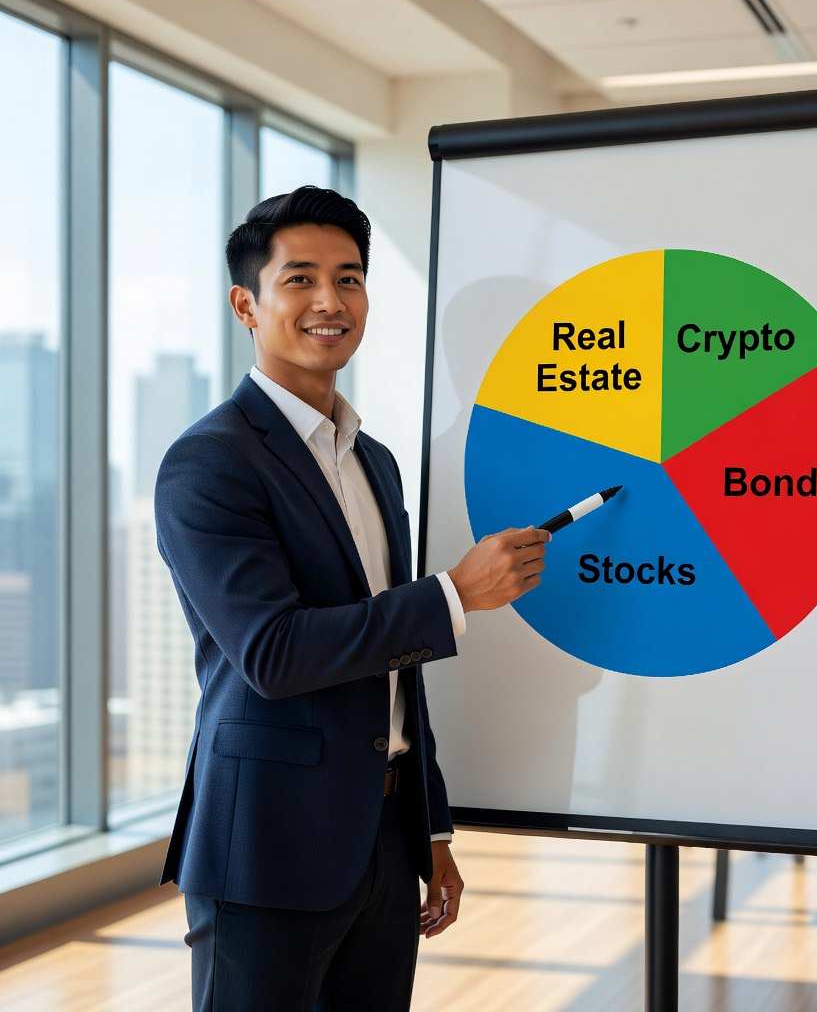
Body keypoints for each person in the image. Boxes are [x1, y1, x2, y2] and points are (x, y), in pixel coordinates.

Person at [154, 185, 548, 1012]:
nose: (331, 301)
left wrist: (430, 828)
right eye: (299, 279)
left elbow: (396, 671)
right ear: (246, 305)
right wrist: (454, 595)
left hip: (383, 834)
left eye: (351, 278)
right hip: (268, 844)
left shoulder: (376, 461)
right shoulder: (210, 462)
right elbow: (274, 653)